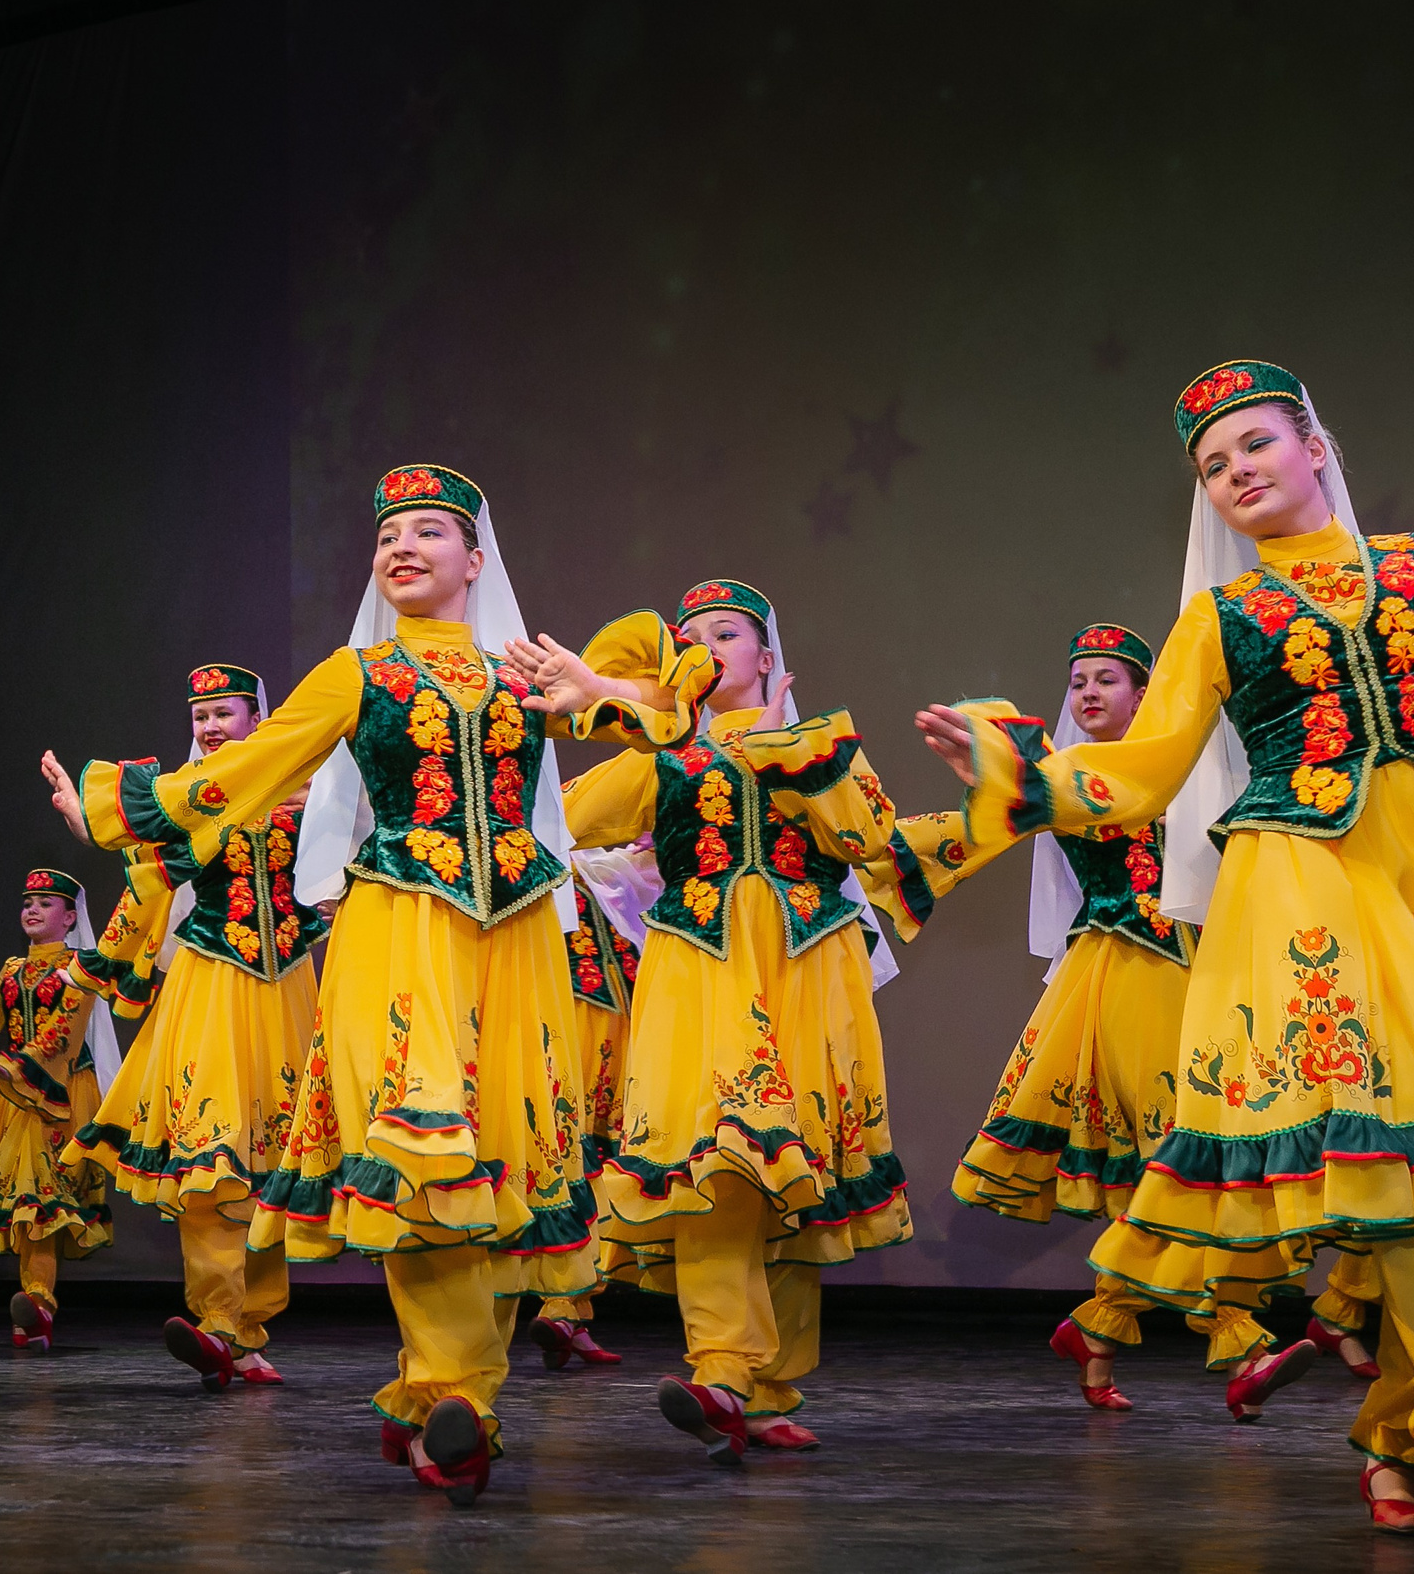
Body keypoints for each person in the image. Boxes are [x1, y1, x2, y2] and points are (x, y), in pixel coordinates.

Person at [47, 464, 701, 1505]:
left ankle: (443, 1390)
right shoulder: (354, 674)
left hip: (519, 938)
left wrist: (602, 695)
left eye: (430, 531)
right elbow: (248, 770)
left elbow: (671, 740)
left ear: (475, 560)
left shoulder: (523, 673)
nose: (403, 546)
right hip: (399, 931)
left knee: (501, 1163)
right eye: (389, 533)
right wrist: (121, 808)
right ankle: (455, 1394)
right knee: (423, 1146)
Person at [916, 361, 1414, 1531]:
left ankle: (1402, 1426)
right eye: (1212, 465)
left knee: (1412, 1178)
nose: (1237, 471)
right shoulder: (1221, 617)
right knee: (1398, 1144)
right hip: (1305, 880)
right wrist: (1017, 777)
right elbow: (1140, 774)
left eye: (1254, 444)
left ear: (1314, 446)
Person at [544, 578, 903, 1464]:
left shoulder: (821, 744)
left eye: (728, 632)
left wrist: (788, 748)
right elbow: (551, 825)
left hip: (803, 967)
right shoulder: (657, 756)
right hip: (697, 969)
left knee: (792, 1173)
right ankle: (721, 1368)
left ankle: (768, 1385)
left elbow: (870, 838)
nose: (706, 646)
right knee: (714, 1164)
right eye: (690, 635)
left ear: (767, 656)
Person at [49, 662, 327, 1389]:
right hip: (210, 980)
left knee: (272, 1162)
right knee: (212, 1151)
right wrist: (89, 825)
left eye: (223, 712)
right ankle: (216, 1321)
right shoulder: (184, 799)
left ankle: (249, 1327)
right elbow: (144, 866)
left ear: (258, 720)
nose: (208, 726)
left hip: (288, 985)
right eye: (199, 715)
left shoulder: (305, 788)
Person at [0, 868, 117, 1353]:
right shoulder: (12, 968)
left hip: (60, 1091)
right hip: (12, 1093)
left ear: (70, 916)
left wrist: (18, 1067)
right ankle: (36, 1309)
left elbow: (64, 1030)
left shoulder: (81, 966)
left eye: (45, 902)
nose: (32, 909)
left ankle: (37, 1303)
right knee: (24, 1199)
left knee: (39, 1193)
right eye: (27, 902)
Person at [526, 856, 649, 1373]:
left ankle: (570, 1311)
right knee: (572, 1159)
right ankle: (560, 1303)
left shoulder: (626, 858)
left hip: (624, 1015)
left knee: (596, 1163)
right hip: (571, 1011)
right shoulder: (550, 851)